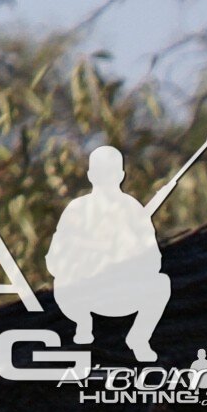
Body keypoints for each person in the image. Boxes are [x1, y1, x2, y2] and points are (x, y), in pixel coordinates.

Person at [51, 143, 176, 360]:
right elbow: (54, 261)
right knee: (62, 284)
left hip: (123, 292)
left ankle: (139, 338)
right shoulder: (76, 210)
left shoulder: (133, 209)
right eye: (102, 172)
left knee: (161, 283)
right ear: (91, 175)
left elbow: (154, 262)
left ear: (120, 175)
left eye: (109, 172)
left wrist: (130, 256)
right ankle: (83, 325)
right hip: (82, 292)